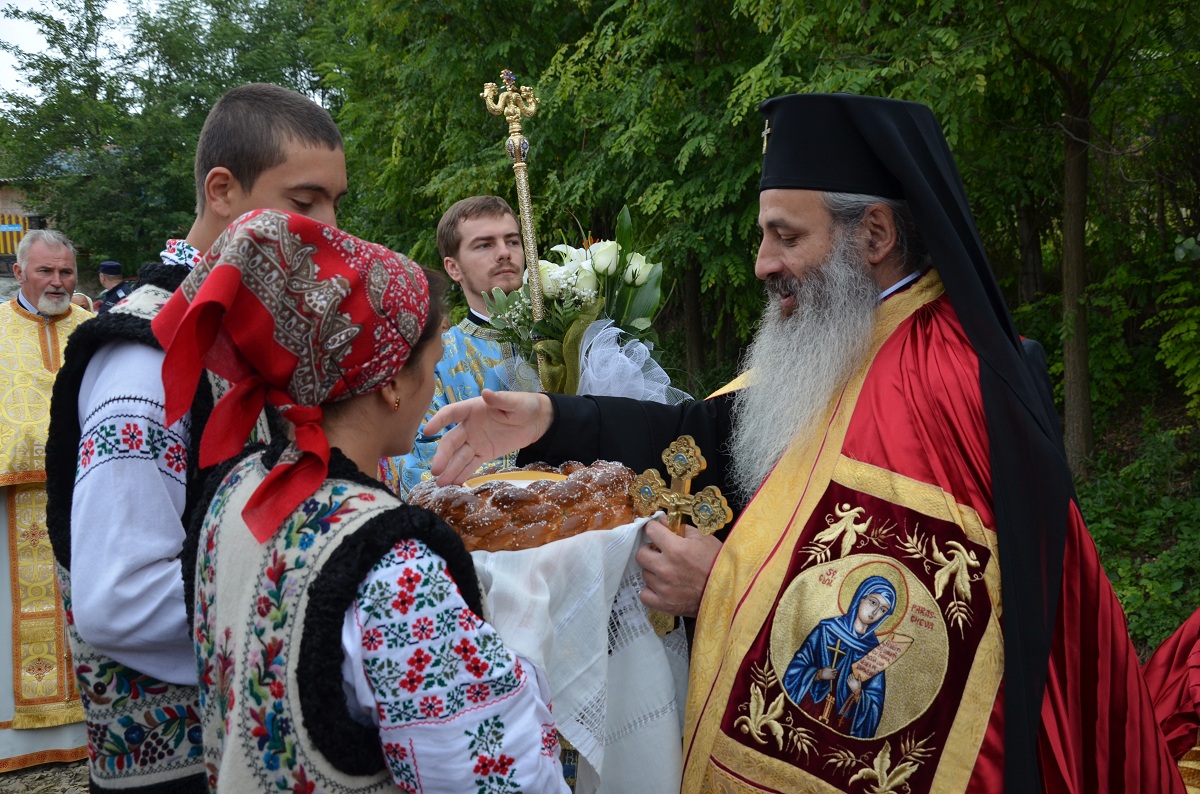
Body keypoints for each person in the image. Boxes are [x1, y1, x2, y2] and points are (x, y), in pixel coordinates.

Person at [422, 93, 1184, 792]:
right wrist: (551, 419)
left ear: (875, 235)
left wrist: (722, 585)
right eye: (764, 236)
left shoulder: (945, 383)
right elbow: (702, 439)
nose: (762, 264)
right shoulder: (852, 338)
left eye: (785, 236)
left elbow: (936, 644)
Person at [151, 208, 567, 792]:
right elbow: (497, 774)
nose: (434, 374)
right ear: (393, 383)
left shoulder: (235, 493)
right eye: (432, 359)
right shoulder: (394, 564)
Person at [45, 83, 347, 793]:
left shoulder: (245, 329)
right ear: (222, 190)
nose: (330, 227)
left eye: (336, 202)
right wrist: (321, 628)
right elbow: (120, 597)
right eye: (305, 203)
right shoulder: (144, 357)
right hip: (180, 763)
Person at [0, 230, 90, 771]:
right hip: (11, 504)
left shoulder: (95, 331)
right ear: (20, 271)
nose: (57, 282)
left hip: (86, 500)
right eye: (45, 272)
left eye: (65, 272)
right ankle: (15, 742)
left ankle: (87, 727)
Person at [379, 195, 523, 498]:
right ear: (453, 268)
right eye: (484, 245)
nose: (503, 253)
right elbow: (421, 469)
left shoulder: (568, 339)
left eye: (512, 241)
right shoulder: (434, 359)